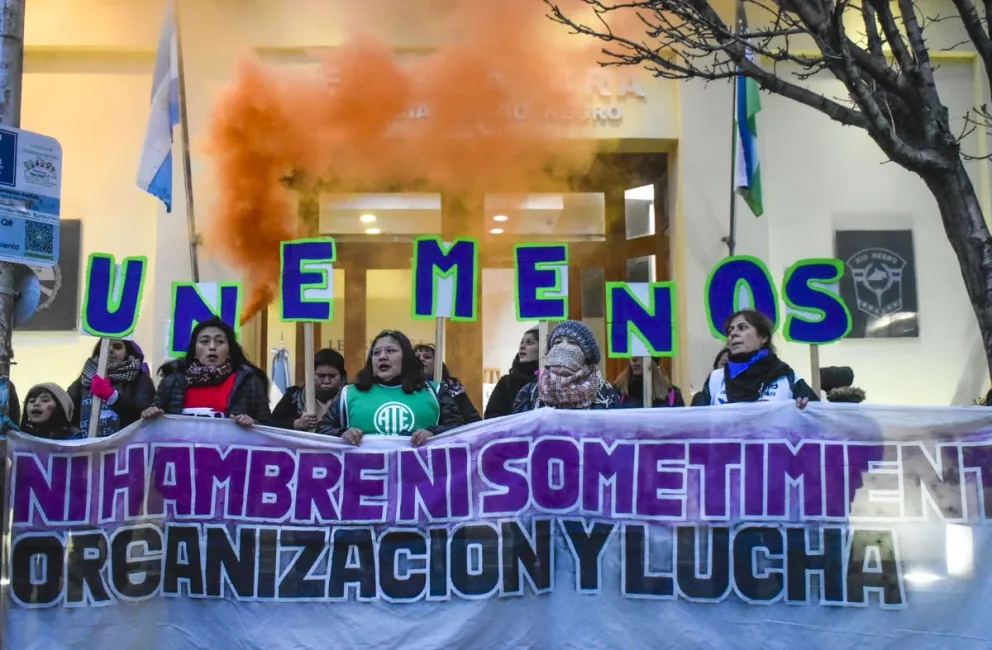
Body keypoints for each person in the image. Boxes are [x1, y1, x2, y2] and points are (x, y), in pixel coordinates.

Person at [317, 330, 464, 446]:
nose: (382, 357)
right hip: (363, 479)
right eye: (376, 353)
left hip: (419, 479)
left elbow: (459, 429)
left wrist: (434, 433)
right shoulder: (348, 393)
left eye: (391, 351)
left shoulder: (434, 392)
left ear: (406, 357)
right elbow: (322, 430)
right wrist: (342, 434)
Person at [141, 317, 271, 426]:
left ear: (230, 351)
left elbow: (270, 429)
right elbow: (153, 424)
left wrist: (254, 424)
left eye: (220, 341)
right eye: (204, 341)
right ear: (195, 352)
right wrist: (150, 414)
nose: (212, 347)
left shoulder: (249, 382)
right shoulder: (172, 381)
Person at [692, 309, 818, 408]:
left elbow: (817, 416)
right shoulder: (716, 380)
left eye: (742, 328)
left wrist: (806, 407)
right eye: (730, 330)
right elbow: (696, 423)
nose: (733, 334)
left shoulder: (787, 377)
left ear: (763, 337)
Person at [513, 320, 620, 411]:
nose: (563, 346)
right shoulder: (531, 392)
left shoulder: (603, 392)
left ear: (586, 354)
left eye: (572, 342)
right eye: (558, 342)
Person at [68, 338, 155, 436]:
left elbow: (143, 414)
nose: (111, 350)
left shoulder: (140, 380)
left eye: (117, 347)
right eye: (105, 347)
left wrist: (113, 397)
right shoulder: (84, 379)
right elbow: (66, 413)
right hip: (86, 447)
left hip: (123, 445)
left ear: (127, 353)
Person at [272, 348, 347, 431]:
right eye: (320, 376)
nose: (326, 381)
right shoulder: (294, 396)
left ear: (341, 376)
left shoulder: (350, 396)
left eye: (332, 376)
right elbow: (271, 422)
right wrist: (295, 423)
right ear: (311, 375)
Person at [413, 344, 482, 424]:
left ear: (437, 363)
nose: (421, 359)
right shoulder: (407, 388)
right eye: (417, 358)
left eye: (427, 357)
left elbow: (471, 416)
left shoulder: (452, 386)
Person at [485, 326, 540, 419]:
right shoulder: (506, 383)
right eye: (522, 342)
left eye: (529, 342)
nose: (522, 346)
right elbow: (491, 417)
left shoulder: (548, 382)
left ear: (543, 348)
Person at [614, 357, 685, 408]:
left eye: (640, 353)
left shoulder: (672, 395)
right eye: (631, 354)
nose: (634, 359)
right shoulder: (616, 393)